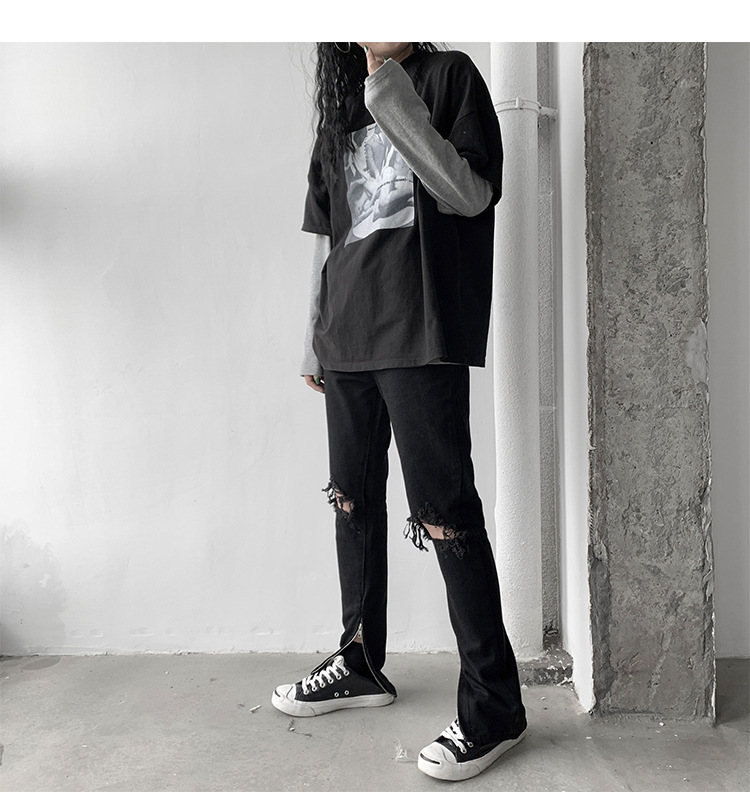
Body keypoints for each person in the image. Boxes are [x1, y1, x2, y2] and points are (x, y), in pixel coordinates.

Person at [271, 41, 527, 782]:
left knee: (446, 513)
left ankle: (494, 707)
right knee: (352, 502)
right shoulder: (337, 110)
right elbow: (329, 237)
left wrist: (393, 101)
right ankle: (359, 660)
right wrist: (312, 336)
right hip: (346, 334)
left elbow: (470, 194)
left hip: (420, 329)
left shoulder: (449, 78)